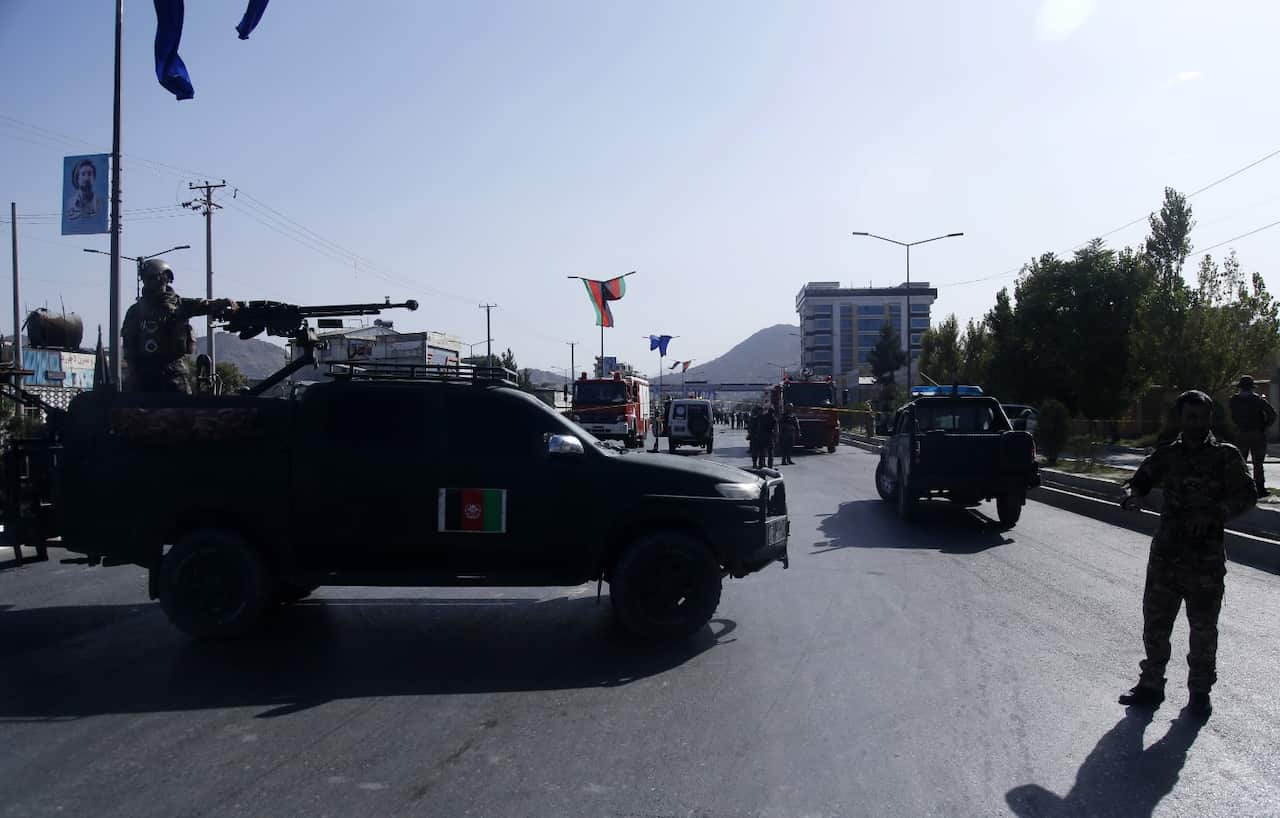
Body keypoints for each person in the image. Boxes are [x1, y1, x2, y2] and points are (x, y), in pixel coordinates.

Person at [1117, 390, 1257, 719]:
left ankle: (1199, 694)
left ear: (1210, 418)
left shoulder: (1226, 456)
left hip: (1205, 561)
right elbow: (1137, 481)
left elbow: (1248, 495)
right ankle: (1151, 685)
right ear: (1181, 418)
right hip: (1166, 557)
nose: (1197, 423)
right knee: (1156, 624)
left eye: (1203, 417)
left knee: (1203, 631)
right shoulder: (1167, 454)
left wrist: (1216, 513)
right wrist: (1133, 496)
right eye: (1191, 417)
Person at [121, 259, 238, 393]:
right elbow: (128, 345)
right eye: (146, 279)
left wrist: (221, 303)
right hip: (143, 375)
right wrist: (134, 371)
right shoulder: (135, 311)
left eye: (153, 278)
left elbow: (203, 305)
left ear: (165, 278)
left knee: (183, 404)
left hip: (173, 372)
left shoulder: (179, 305)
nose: (149, 282)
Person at [1228, 375, 1276, 497]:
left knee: (1241, 463)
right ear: (1251, 387)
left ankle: (1241, 488)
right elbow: (1272, 414)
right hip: (1257, 434)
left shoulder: (1234, 400)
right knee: (1258, 464)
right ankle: (1259, 489)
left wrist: (1236, 426)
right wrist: (1264, 426)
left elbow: (1231, 416)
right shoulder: (1258, 400)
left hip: (1241, 434)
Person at [64, 158, 102, 222]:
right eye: (83, 174)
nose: (86, 178)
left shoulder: (99, 203)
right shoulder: (70, 204)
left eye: (89, 174)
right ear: (77, 178)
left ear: (94, 178)